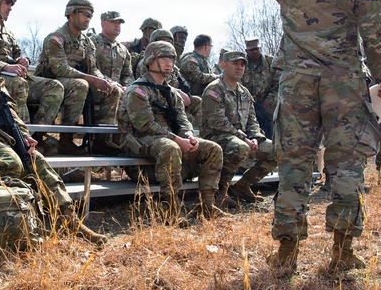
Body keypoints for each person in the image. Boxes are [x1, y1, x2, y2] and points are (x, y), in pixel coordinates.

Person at [268, 0, 381, 274]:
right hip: (343, 79)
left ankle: (287, 252)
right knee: (346, 164)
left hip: (297, 79)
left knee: (294, 161)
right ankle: (342, 251)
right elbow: (375, 26)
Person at [0, 8, 106, 245]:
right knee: (11, 162)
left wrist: (24, 136)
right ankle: (4, 216)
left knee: (34, 158)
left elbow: (8, 107)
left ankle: (70, 221)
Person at [117, 41, 224, 222]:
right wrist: (177, 140)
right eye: (163, 58)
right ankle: (171, 209)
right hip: (141, 144)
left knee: (213, 149)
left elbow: (183, 119)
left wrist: (189, 135)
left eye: (171, 59)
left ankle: (207, 205)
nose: (169, 63)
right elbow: (146, 125)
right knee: (170, 147)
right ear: (150, 61)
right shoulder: (138, 91)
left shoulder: (172, 92)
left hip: (167, 143)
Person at [34, 0, 123, 154]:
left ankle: (101, 140)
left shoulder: (87, 42)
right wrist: (90, 79)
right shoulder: (56, 38)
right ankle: (64, 139)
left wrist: (104, 81)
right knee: (80, 85)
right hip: (51, 81)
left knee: (114, 90)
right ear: (71, 14)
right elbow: (60, 69)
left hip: (76, 82)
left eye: (90, 15)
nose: (88, 19)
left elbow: (93, 68)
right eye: (84, 14)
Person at [0, 0, 64, 144]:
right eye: (6, 3)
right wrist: (4, 67)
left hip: (14, 76)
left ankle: (37, 136)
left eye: (11, 4)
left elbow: (16, 53)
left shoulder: (7, 31)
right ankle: (21, 138)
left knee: (54, 87)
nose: (10, 8)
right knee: (19, 84)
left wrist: (22, 60)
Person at [200, 50, 274, 208]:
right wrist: (244, 138)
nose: (239, 67)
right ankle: (220, 193)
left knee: (275, 149)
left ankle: (242, 186)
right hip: (216, 138)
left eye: (242, 64)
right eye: (235, 63)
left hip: (241, 139)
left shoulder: (244, 92)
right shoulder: (214, 89)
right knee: (239, 147)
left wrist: (255, 137)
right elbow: (217, 121)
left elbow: (252, 120)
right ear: (224, 65)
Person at [241, 37, 279, 139]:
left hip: (268, 108)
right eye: (251, 50)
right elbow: (238, 86)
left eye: (256, 49)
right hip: (247, 107)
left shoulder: (271, 62)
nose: (254, 52)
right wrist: (249, 105)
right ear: (246, 51)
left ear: (260, 48)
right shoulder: (241, 64)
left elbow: (278, 85)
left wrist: (268, 103)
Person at [91, 11, 133, 86]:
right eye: (113, 22)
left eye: (119, 23)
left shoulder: (123, 49)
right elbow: (90, 68)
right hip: (96, 87)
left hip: (118, 91)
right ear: (103, 24)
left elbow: (127, 75)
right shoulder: (92, 42)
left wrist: (127, 87)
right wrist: (106, 82)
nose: (117, 25)